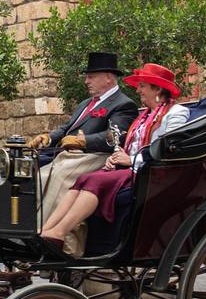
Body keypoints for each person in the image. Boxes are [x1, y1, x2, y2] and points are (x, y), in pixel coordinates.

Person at [38, 63, 189, 253]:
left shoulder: (176, 113)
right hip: (130, 167)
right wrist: (118, 157)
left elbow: (164, 150)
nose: (138, 90)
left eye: (142, 86)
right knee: (83, 178)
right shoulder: (145, 116)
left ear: (157, 89)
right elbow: (128, 144)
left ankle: (59, 232)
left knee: (94, 181)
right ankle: (47, 230)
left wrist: (131, 160)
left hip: (151, 172)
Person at [29, 53, 139, 256]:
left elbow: (114, 137)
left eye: (91, 76)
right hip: (71, 157)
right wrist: (48, 138)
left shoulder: (124, 104)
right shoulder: (86, 103)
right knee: (38, 175)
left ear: (108, 77)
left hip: (97, 157)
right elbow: (65, 129)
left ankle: (56, 239)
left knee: (58, 176)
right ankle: (37, 230)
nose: (86, 80)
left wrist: (84, 141)